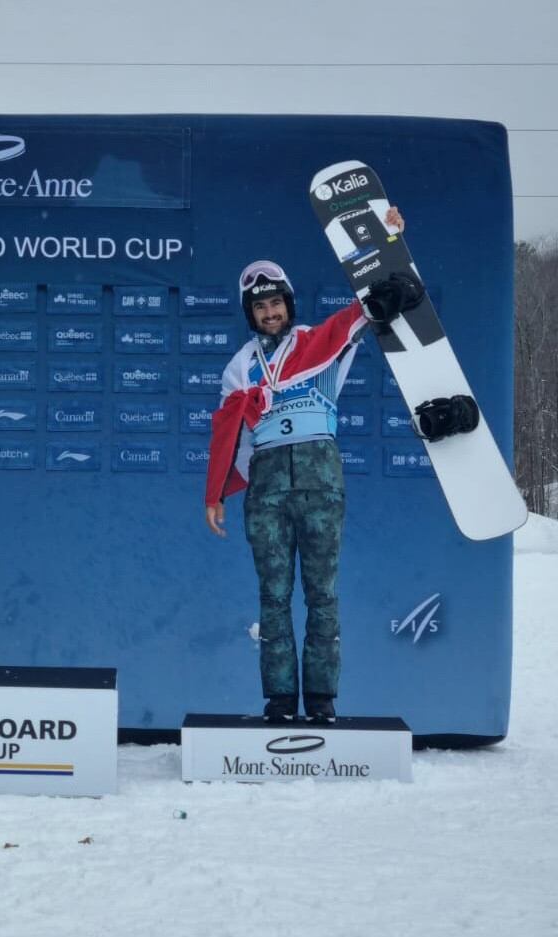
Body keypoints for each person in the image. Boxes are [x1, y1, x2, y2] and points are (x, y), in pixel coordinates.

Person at [204, 207, 413, 723]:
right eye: (260, 307)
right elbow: (227, 433)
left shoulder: (321, 342)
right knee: (273, 596)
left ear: (288, 303)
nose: (269, 313)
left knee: (323, 593)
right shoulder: (239, 366)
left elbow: (367, 307)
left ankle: (321, 699)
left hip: (321, 483)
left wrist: (391, 239)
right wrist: (215, 495)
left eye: (275, 303)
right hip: (267, 491)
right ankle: (279, 700)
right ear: (250, 314)